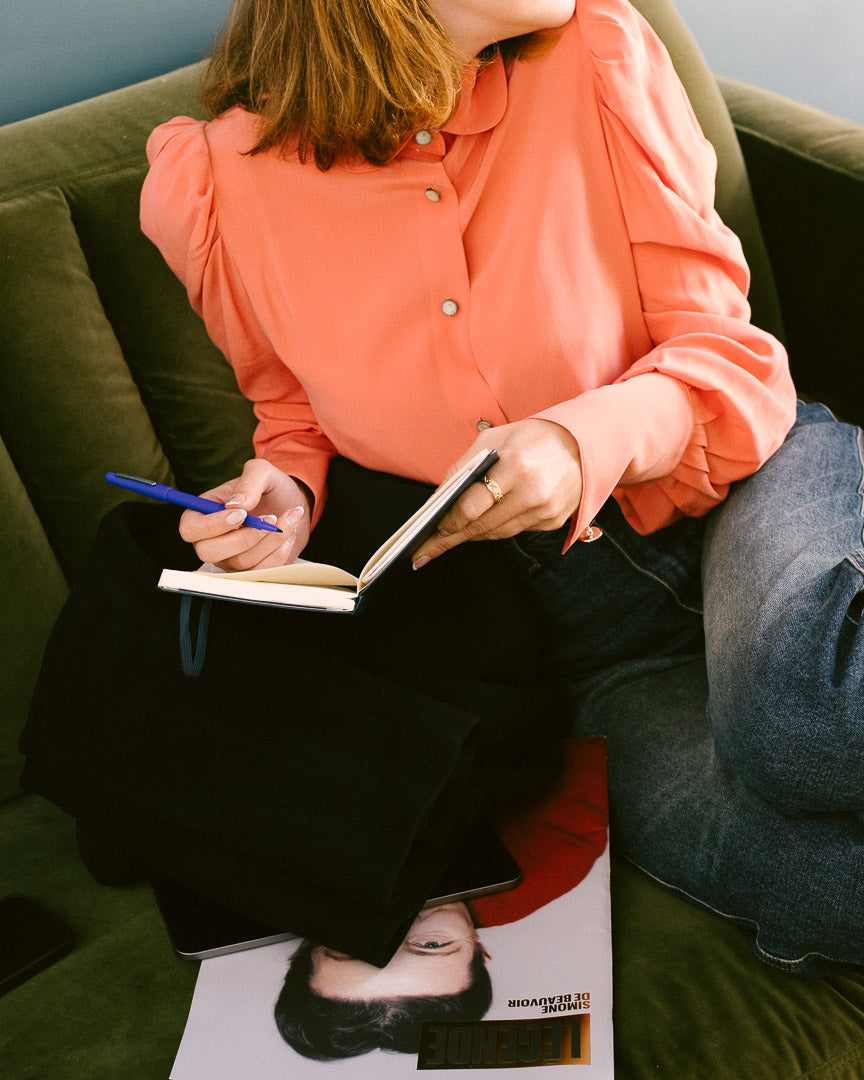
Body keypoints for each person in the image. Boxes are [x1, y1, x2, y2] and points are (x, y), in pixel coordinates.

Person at [135, 0, 864, 978]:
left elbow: (728, 354)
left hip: (752, 486)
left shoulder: (594, 53)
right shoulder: (213, 182)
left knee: (795, 720)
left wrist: (578, 441)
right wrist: (286, 499)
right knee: (797, 872)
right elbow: (291, 416)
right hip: (592, 641)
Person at [274, 740, 608, 1059]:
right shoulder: (551, 855)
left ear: (303, 945)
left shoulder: (275, 874)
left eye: (357, 948)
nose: (398, 923)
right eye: (432, 945)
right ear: (480, 947)